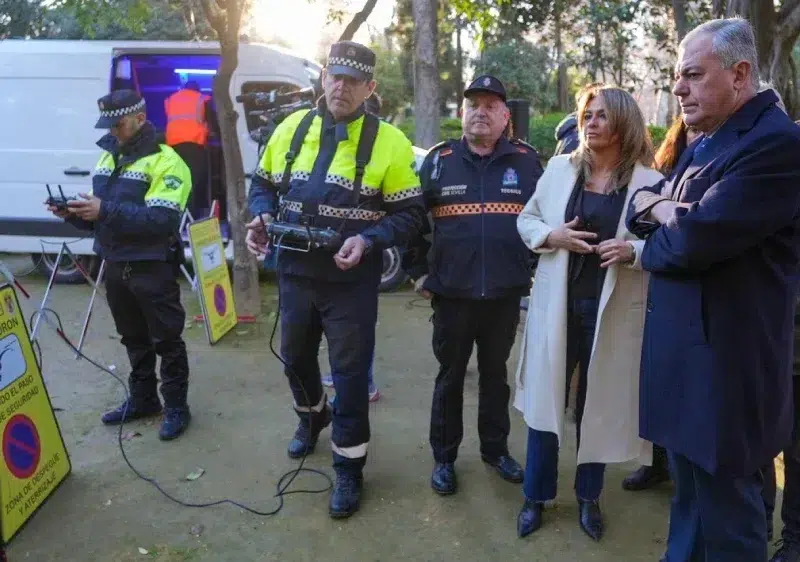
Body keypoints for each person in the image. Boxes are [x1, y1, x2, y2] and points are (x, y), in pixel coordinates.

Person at [626, 18, 800, 561]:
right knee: (691, 515)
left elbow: (688, 242)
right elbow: (640, 212)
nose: (678, 89)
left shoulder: (776, 145)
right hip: (689, 373)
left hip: (727, 378)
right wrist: (667, 217)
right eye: (678, 77)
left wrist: (662, 229)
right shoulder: (707, 142)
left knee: (729, 526)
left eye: (693, 76)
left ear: (741, 74)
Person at [245, 41, 426, 519]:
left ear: (370, 87)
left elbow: (410, 215)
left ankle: (349, 468)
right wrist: (261, 218)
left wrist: (368, 240)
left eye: (353, 80)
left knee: (349, 376)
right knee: (294, 359)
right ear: (323, 77)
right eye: (335, 76)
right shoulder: (291, 126)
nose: (341, 87)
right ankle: (311, 417)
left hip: (350, 281)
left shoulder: (390, 141)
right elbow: (262, 185)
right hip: (295, 272)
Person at [514, 84, 662, 541]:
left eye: (600, 114)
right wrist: (551, 236)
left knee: (595, 405)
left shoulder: (649, 183)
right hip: (556, 308)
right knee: (546, 402)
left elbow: (666, 243)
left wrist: (633, 250)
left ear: (623, 122)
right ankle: (535, 496)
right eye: (586, 114)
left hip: (611, 313)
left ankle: (587, 497)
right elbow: (527, 219)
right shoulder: (560, 169)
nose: (590, 121)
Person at [403, 75, 543, 496]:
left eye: (489, 105)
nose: (479, 112)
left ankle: (495, 450)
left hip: (504, 294)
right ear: (462, 114)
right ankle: (444, 458)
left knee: (495, 375)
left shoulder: (526, 162)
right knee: (450, 375)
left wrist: (530, 267)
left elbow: (546, 217)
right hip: (452, 294)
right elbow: (410, 217)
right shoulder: (440, 159)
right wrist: (418, 272)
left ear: (505, 117)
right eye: (472, 105)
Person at [46, 89, 193, 440]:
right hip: (114, 264)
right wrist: (73, 216)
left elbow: (162, 220)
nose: (113, 131)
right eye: (108, 125)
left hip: (151, 266)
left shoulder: (167, 161)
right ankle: (144, 400)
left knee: (167, 340)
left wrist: (104, 210)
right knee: (133, 339)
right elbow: (102, 219)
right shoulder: (107, 157)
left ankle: (176, 407)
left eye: (119, 124)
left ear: (140, 119)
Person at [621, 115, 700, 492]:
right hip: (660, 293)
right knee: (659, 386)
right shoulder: (667, 170)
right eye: (692, 130)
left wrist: (664, 215)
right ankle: (656, 461)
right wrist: (661, 211)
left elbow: (692, 237)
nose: (699, 135)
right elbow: (643, 211)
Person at [321, 90, 386, 404]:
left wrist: (366, 239)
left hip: (361, 263)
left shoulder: (379, 149)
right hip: (335, 260)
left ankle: (365, 385)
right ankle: (347, 378)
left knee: (359, 332)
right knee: (347, 333)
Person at [164, 81, 215, 216]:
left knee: (176, 180)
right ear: (198, 90)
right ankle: (192, 214)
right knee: (195, 180)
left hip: (173, 146)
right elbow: (211, 122)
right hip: (194, 144)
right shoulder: (202, 99)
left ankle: (176, 213)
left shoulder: (171, 99)